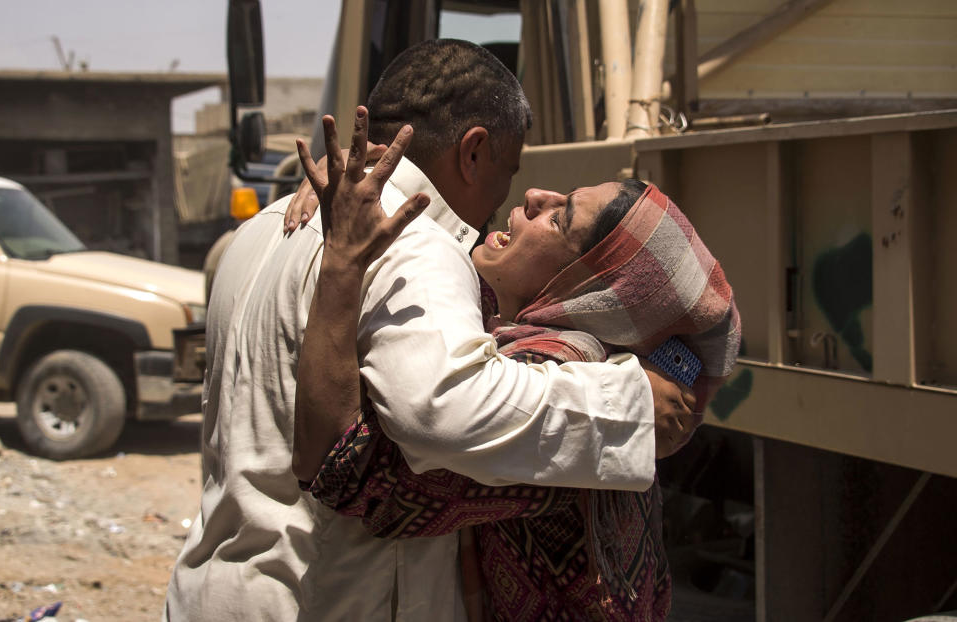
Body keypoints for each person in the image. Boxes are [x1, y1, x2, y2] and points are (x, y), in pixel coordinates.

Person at [164, 39, 695, 621]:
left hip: (213, 594)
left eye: (559, 214)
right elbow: (440, 408)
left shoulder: (262, 230)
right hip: (320, 603)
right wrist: (635, 403)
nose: (517, 198)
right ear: (474, 152)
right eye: (509, 170)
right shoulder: (413, 243)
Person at [290, 121, 741, 620]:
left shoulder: (555, 368)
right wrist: (380, 182)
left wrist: (342, 258)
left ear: (590, 292)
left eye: (561, 220)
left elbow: (350, 475)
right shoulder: (554, 350)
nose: (533, 196)